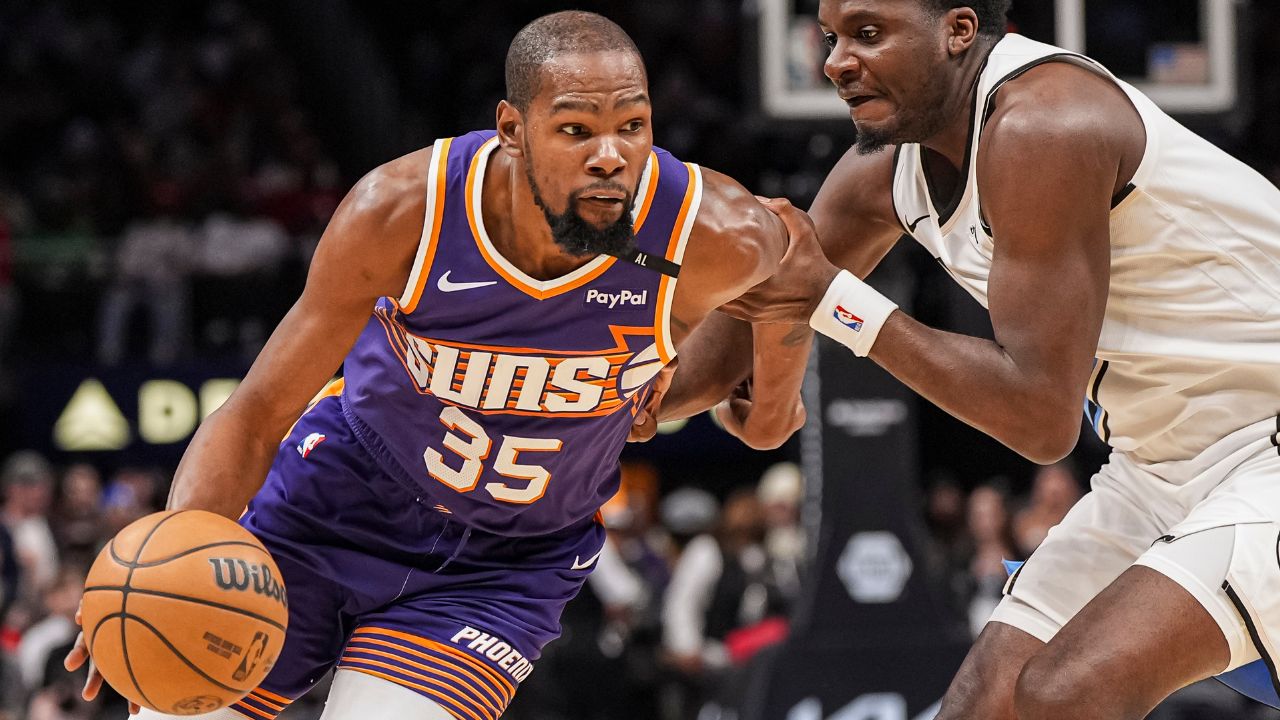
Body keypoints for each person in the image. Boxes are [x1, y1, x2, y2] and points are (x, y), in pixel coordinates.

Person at [64, 12, 810, 720]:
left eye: (633, 126)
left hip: (503, 565)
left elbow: (795, 260)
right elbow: (257, 413)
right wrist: (159, 571)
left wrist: (764, 404)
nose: (609, 154)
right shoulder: (402, 210)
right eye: (577, 129)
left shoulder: (706, 229)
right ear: (512, 130)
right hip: (332, 509)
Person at [715, 0, 1280, 718]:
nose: (834, 61)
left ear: (957, 30)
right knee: (987, 702)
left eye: (867, 33)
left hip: (1268, 451)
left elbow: (1042, 419)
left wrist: (839, 302)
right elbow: (748, 317)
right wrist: (611, 387)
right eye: (830, 36)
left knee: (1068, 691)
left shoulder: (1046, 121)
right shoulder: (882, 175)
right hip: (1159, 465)